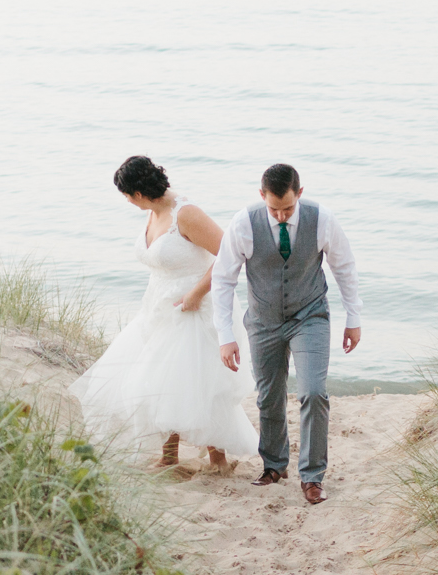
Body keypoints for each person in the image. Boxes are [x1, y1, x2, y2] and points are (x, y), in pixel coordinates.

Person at [68, 155, 261, 474]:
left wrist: (196, 294)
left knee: (199, 382)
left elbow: (230, 255)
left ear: (139, 194)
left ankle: (218, 459)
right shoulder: (153, 212)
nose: (128, 202)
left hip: (195, 307)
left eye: (128, 196)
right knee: (159, 380)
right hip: (158, 307)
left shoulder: (186, 214)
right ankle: (169, 455)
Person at [209, 163, 361, 505]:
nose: (280, 216)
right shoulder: (243, 224)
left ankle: (312, 477)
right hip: (263, 321)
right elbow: (223, 279)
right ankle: (275, 466)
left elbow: (344, 267)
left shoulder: (322, 219)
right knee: (269, 396)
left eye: (288, 208)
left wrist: (354, 316)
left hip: (310, 316)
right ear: (261, 195)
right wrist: (225, 335)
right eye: (273, 208)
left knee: (314, 392)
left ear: (300, 194)